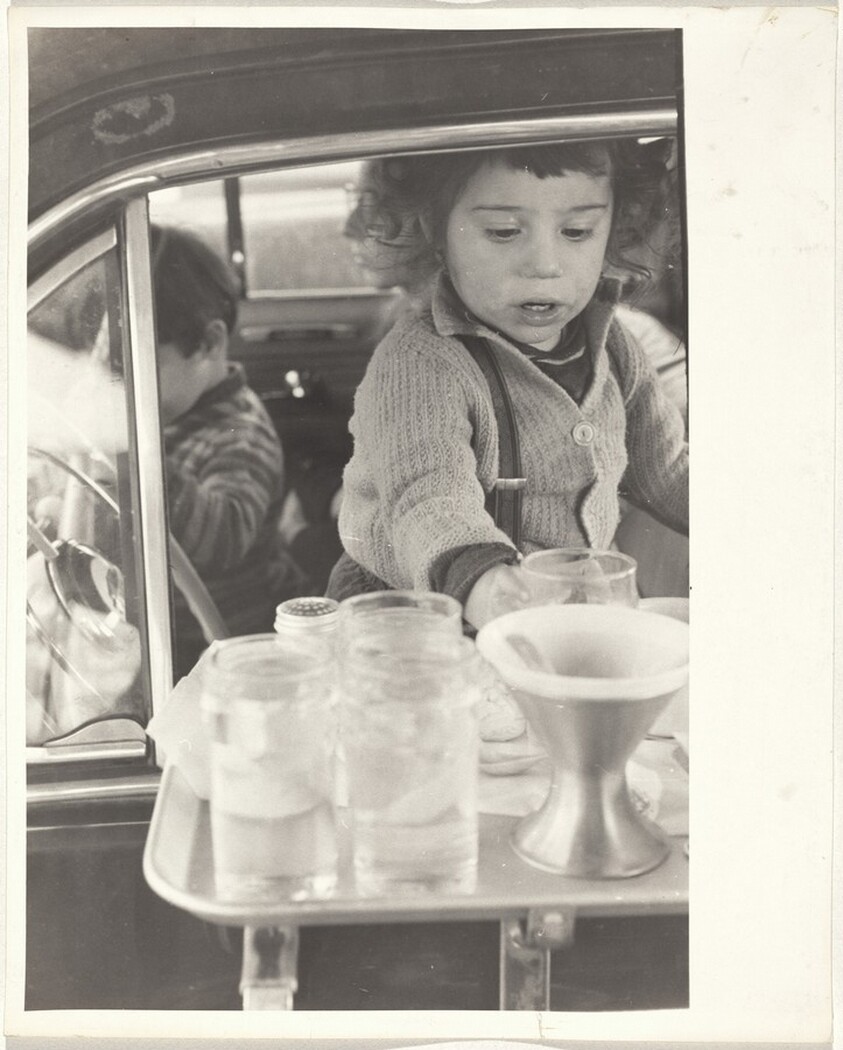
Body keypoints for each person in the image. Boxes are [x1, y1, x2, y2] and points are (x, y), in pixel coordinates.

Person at [328, 141, 688, 628]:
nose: (544, 263)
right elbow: (429, 497)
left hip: (552, 607)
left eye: (577, 231)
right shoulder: (419, 362)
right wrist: (486, 582)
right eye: (502, 231)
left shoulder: (614, 346)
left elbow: (667, 471)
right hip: (415, 615)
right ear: (437, 231)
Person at [151, 224, 308, 676]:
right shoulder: (167, 414)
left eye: (142, 365)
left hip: (232, 643)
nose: (123, 390)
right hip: (172, 629)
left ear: (209, 342)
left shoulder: (241, 433)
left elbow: (222, 537)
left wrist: (135, 462)